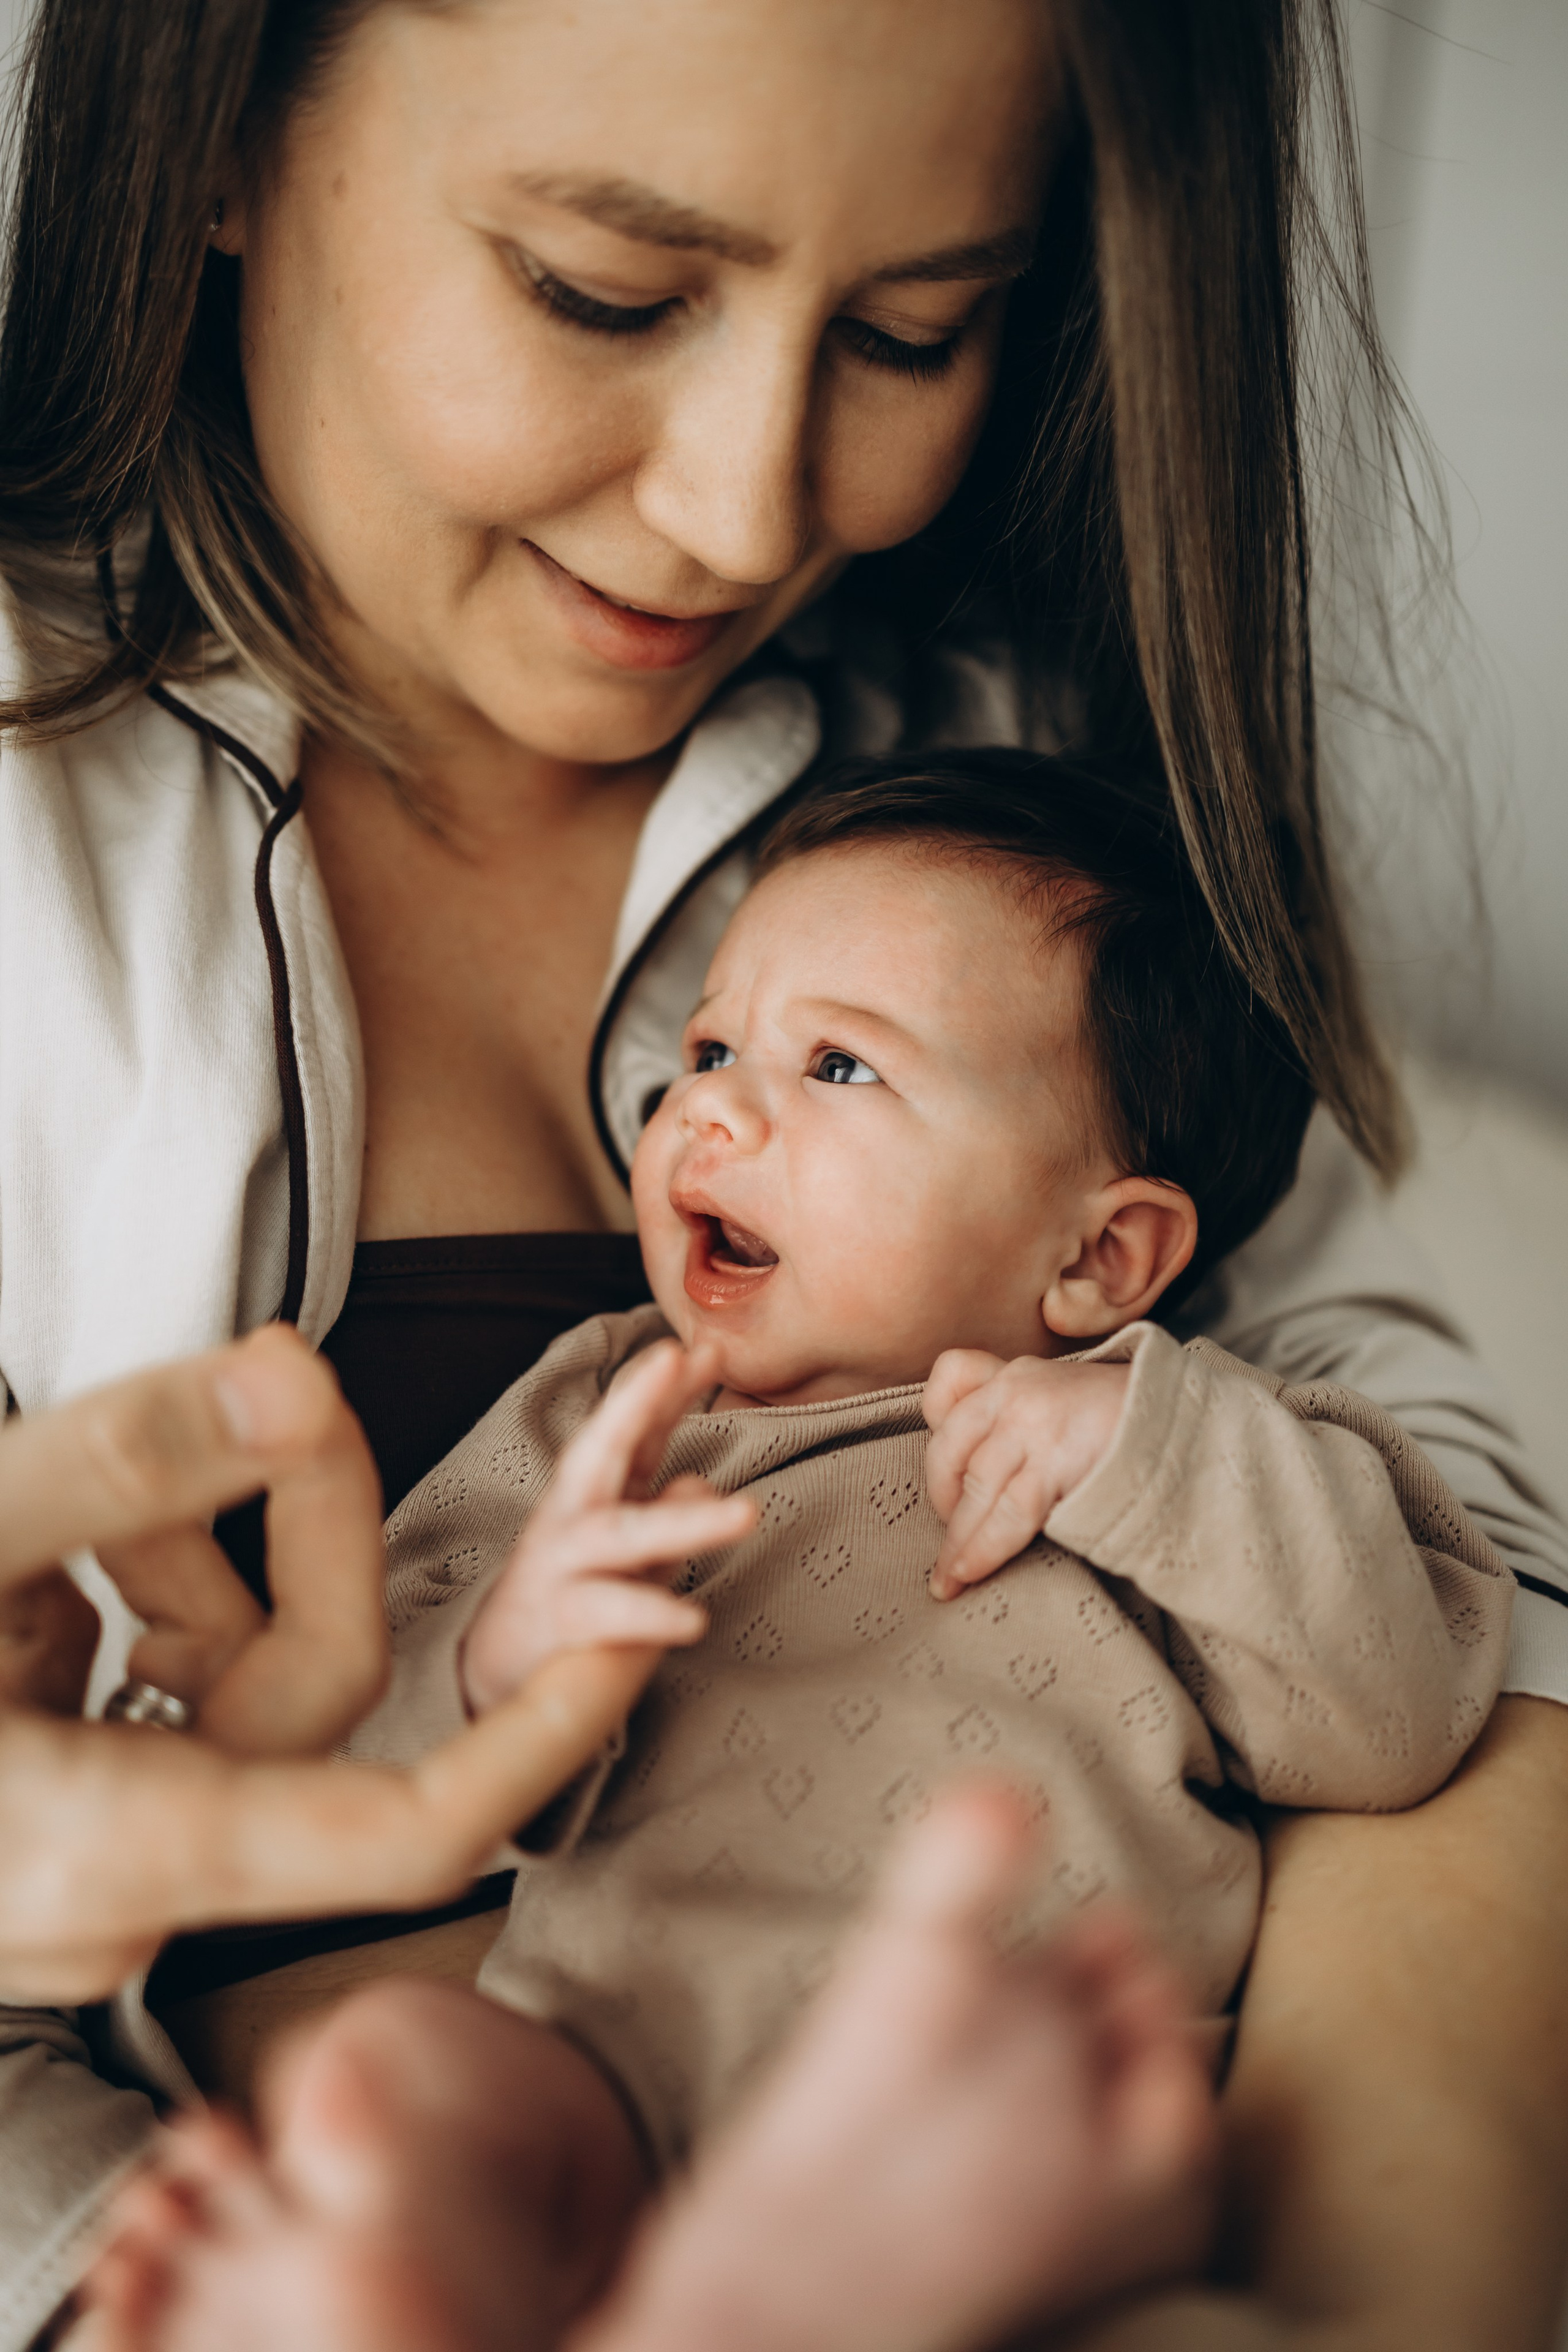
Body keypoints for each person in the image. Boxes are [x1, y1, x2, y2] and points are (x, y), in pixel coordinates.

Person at [0, 0, 1565, 2346]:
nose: (750, 508)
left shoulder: (1010, 803)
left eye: (920, 328)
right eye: (602, 291)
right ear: (218, 134)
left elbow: (1465, 1593)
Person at [83, 753, 1513, 2349]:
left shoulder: (1202, 1440)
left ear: (1101, 1255)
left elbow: (1394, 1717)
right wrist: (506, 1659)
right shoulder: (608, 1411)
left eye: (837, 1069)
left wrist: (1149, 1454)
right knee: (387, 2082)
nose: (709, 1105)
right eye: (707, 1047)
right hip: (605, 2066)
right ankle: (413, 2301)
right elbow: (364, 1743)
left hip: (995, 2121)